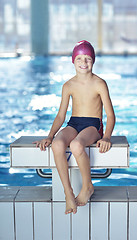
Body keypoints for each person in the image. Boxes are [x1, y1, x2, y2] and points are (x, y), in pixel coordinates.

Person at [33, 40, 115, 215]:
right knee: (56, 144)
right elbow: (61, 115)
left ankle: (87, 186)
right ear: (73, 61)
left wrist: (106, 136)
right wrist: (50, 135)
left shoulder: (99, 83)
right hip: (74, 123)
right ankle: (68, 192)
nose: (83, 62)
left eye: (87, 58)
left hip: (93, 125)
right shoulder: (68, 85)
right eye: (79, 58)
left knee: (77, 145)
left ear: (93, 60)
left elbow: (110, 114)